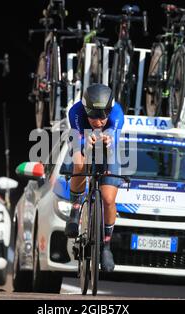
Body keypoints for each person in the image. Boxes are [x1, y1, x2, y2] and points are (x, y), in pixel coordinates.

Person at [65, 84, 124, 272]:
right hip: (82, 139)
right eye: (93, 116)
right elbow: (76, 137)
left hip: (108, 146)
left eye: (103, 116)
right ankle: (75, 209)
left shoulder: (117, 113)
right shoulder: (75, 111)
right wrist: (85, 141)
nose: (98, 122)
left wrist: (107, 136)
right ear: (85, 109)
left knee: (108, 199)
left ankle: (106, 246)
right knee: (79, 163)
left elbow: (113, 133)